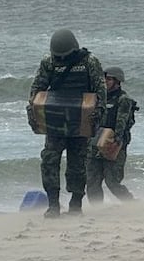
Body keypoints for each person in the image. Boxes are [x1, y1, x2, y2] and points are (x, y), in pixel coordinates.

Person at [29, 28, 106, 218]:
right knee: (49, 160)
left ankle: (76, 204)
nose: (61, 58)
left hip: (81, 121)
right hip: (55, 121)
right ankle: (53, 204)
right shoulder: (49, 62)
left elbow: (100, 90)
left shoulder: (89, 61)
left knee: (78, 164)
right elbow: (37, 88)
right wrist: (33, 112)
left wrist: (98, 115)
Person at [86, 66, 137, 203]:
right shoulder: (99, 98)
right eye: (104, 79)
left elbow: (122, 122)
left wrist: (116, 141)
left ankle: (131, 204)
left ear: (117, 81)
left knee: (112, 182)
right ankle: (97, 209)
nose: (105, 82)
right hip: (95, 142)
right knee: (92, 181)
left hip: (114, 144)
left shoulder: (123, 99)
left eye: (108, 79)